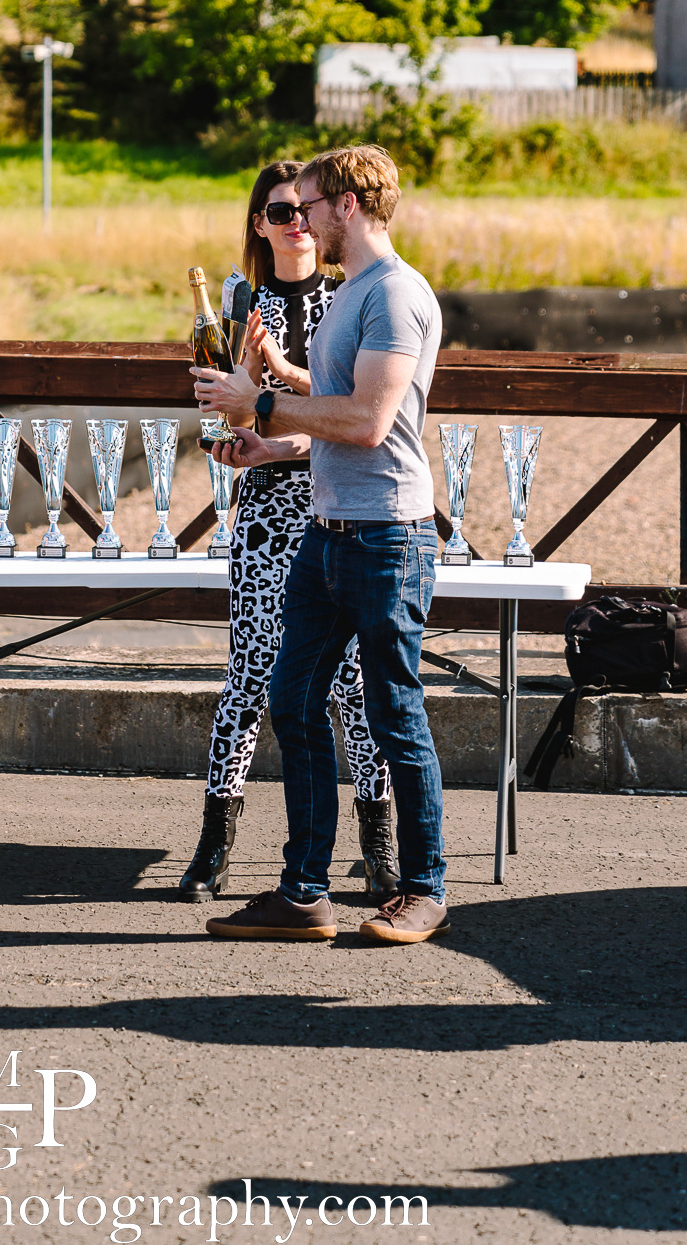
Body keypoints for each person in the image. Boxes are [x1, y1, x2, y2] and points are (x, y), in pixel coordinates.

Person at [195, 144, 448, 946]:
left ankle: (424, 890)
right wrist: (279, 384)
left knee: (393, 712)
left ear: (346, 204)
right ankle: (304, 893)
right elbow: (336, 397)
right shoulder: (354, 296)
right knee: (293, 701)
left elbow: (368, 422)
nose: (298, 220)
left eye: (307, 205)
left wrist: (261, 402)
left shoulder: (395, 295)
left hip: (387, 535)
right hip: (329, 532)